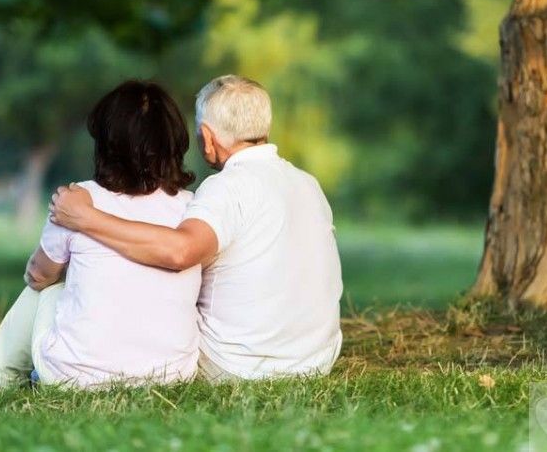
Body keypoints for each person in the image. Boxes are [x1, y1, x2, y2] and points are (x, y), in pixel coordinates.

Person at [50, 75, 343, 383]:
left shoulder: (227, 187)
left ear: (207, 136)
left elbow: (180, 252)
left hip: (238, 365)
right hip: (316, 359)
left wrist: (86, 218)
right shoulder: (308, 184)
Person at [0, 81, 200, 393]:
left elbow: (38, 276)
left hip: (76, 377)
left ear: (107, 143)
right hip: (171, 375)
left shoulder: (78, 200)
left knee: (47, 287)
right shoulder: (192, 208)